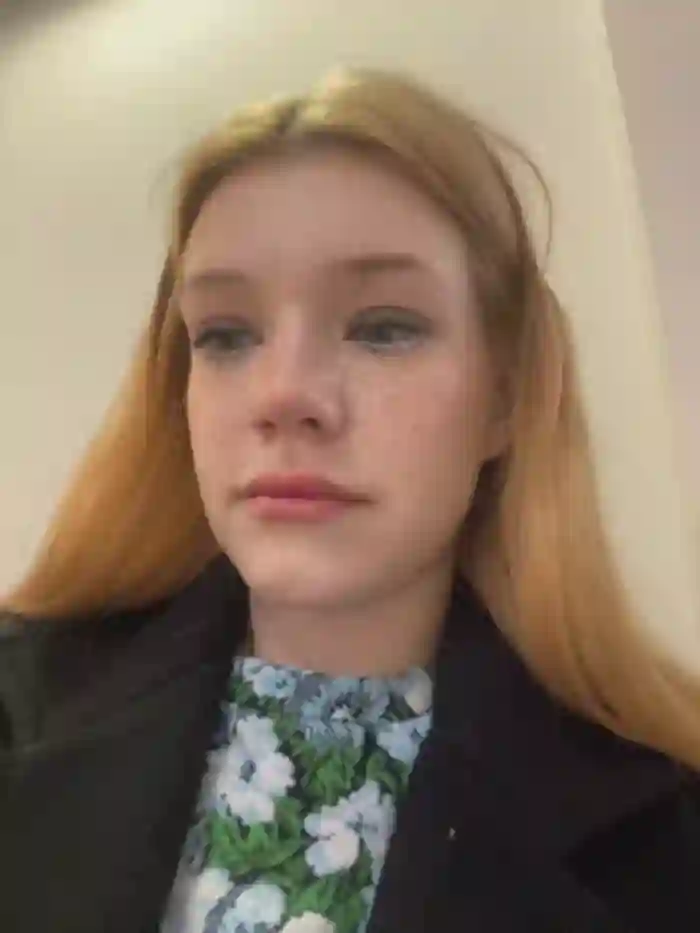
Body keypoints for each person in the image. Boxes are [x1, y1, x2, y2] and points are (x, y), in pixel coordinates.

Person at [1, 66, 699, 933]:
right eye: (226, 334)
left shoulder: (667, 835)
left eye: (383, 327)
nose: (284, 394)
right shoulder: (19, 711)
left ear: (506, 395)